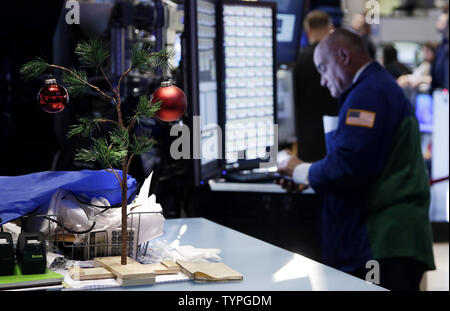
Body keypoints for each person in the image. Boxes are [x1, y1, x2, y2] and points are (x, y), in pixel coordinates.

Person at [277, 29, 435, 291]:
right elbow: (366, 163)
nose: (323, 81)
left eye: (324, 69)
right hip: (390, 239)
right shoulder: (375, 87)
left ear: (343, 56)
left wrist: (299, 170)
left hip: (382, 241)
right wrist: (316, 179)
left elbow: (348, 166)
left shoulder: (368, 95)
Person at [293, 10, 338, 163]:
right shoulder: (339, 58)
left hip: (306, 135)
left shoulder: (297, 59)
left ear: (308, 31)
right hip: (334, 132)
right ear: (330, 28)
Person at [431, 5, 449, 91]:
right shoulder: (442, 46)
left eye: (440, 21)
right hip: (440, 89)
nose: (437, 23)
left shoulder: (446, 48)